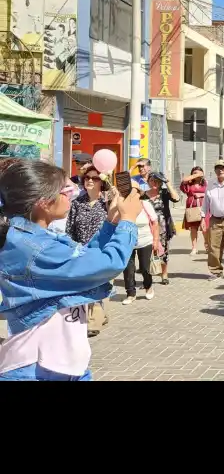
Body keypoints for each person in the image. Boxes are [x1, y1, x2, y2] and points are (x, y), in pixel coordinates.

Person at [0, 160, 143, 381]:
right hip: (37, 367)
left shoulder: (35, 238)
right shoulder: (35, 248)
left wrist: (112, 223)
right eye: (64, 190)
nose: (71, 193)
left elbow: (83, 259)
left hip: (65, 364)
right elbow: (108, 264)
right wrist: (128, 221)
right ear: (43, 202)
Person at [65, 165, 110, 338]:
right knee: (88, 285)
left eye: (95, 178)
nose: (90, 180)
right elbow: (69, 229)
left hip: (101, 252)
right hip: (81, 251)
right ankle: (100, 314)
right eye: (87, 178)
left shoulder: (107, 202)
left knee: (97, 284)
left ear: (102, 182)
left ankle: (93, 321)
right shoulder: (77, 203)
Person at [146, 172, 179, 286]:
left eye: (157, 181)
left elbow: (176, 198)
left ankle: (164, 274)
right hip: (148, 227)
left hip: (163, 227)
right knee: (147, 253)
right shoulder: (143, 195)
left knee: (163, 252)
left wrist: (168, 183)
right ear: (148, 182)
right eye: (152, 180)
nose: (154, 183)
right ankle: (148, 278)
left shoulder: (164, 193)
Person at [180, 167, 208, 255]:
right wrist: (195, 175)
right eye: (194, 173)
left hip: (204, 207)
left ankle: (207, 245)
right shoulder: (189, 184)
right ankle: (194, 247)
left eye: (199, 173)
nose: (197, 175)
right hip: (192, 208)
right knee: (193, 228)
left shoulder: (206, 183)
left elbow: (210, 193)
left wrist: (201, 194)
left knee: (205, 228)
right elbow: (184, 181)